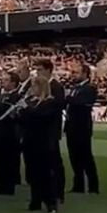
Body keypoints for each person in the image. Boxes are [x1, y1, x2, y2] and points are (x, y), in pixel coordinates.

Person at [20, 76, 60, 213]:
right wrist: (19, 111)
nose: (32, 89)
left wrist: (27, 109)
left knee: (45, 173)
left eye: (35, 86)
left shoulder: (50, 102)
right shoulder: (32, 101)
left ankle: (51, 202)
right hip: (29, 141)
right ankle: (35, 200)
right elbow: (25, 120)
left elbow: (42, 117)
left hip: (43, 142)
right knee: (32, 173)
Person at [34, 59, 66, 203]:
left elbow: (58, 107)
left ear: (48, 70)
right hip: (41, 130)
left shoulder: (55, 86)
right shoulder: (42, 85)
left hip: (51, 129)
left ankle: (58, 192)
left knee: (54, 162)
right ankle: (44, 193)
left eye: (40, 69)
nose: (38, 72)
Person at [65, 62, 99, 194]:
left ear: (85, 74)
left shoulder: (90, 88)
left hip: (82, 127)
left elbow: (82, 103)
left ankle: (93, 186)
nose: (74, 75)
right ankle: (78, 185)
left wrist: (69, 99)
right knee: (74, 157)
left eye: (77, 72)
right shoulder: (75, 87)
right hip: (71, 125)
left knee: (86, 156)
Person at [0, 71, 23, 195]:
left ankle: (8, 187)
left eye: (6, 80)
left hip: (10, 133)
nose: (2, 83)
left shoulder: (17, 96)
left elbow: (4, 110)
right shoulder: (0, 95)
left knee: (8, 161)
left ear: (13, 83)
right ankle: (0, 186)